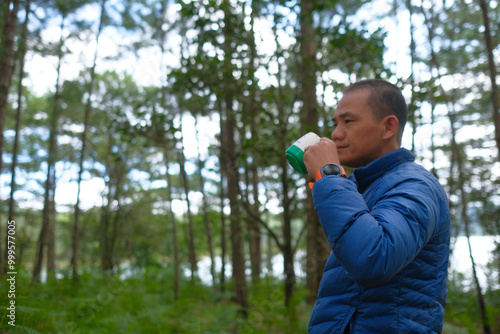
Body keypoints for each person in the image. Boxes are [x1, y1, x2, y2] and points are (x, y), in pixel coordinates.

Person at [303, 79, 450, 333]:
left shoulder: (415, 184)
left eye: (348, 121)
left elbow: (372, 258)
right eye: (335, 123)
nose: (336, 134)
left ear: (388, 127)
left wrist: (329, 175)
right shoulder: (364, 188)